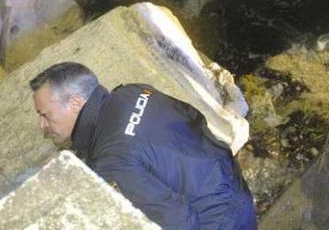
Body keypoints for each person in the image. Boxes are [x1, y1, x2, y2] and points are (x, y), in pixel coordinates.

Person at [29, 62, 257, 229]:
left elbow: (179, 223)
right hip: (234, 189)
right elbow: (194, 118)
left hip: (217, 222)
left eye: (45, 115)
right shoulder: (135, 92)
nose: (42, 125)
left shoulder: (112, 161)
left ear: (76, 103)